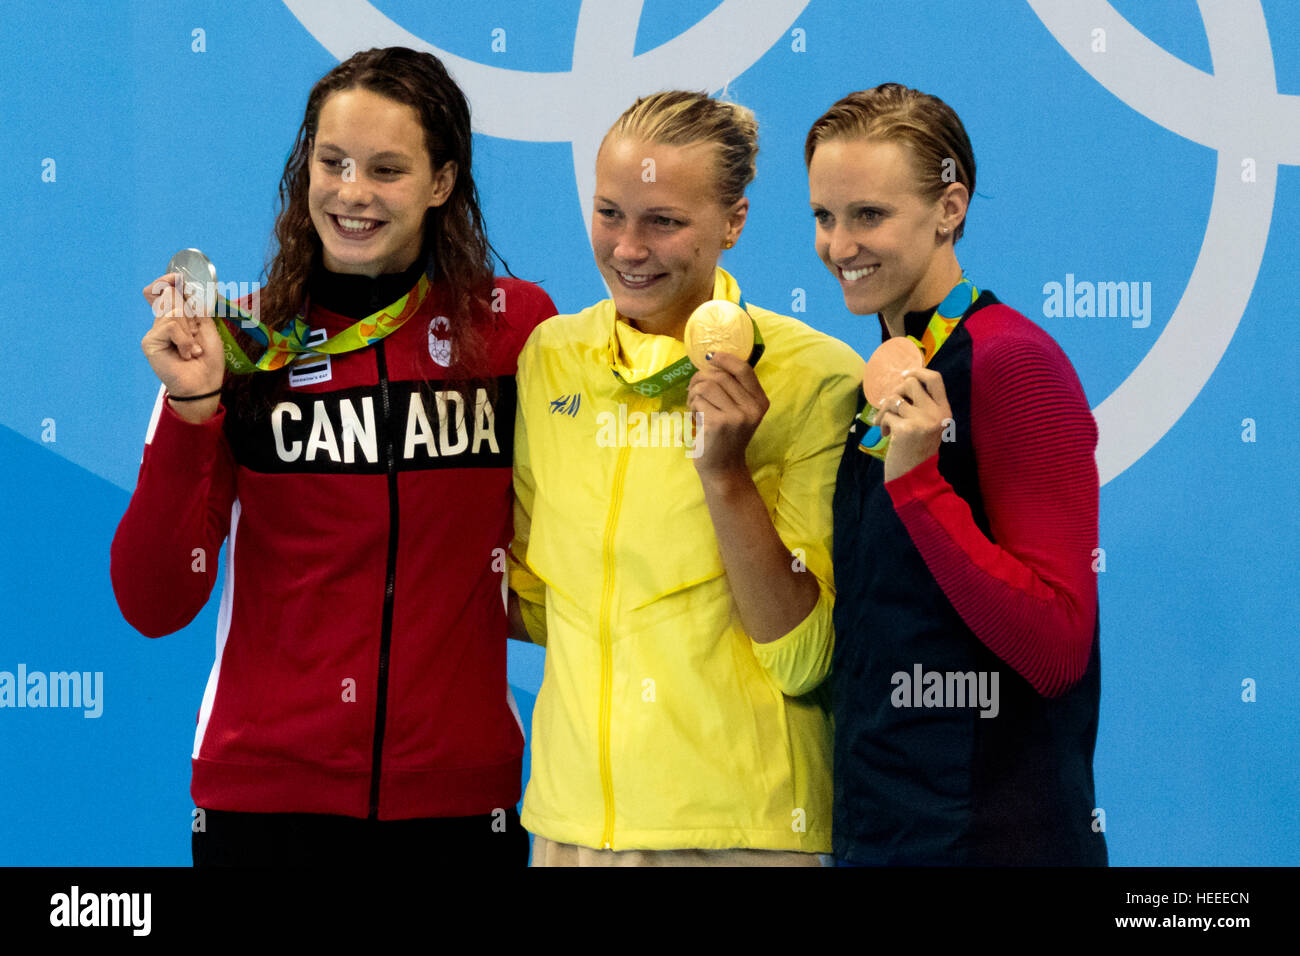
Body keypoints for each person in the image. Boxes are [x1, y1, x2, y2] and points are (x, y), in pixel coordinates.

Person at [110, 47, 556, 867]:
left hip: (460, 801)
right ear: (303, 168)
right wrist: (192, 409)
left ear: (442, 183)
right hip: (264, 799)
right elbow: (154, 600)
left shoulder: (515, 330)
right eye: (332, 162)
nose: (352, 192)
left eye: (387, 169)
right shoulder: (236, 342)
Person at [506, 91, 862, 865]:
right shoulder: (550, 360)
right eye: (609, 213)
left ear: (733, 222)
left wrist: (727, 476)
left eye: (663, 221)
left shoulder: (817, 379)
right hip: (569, 830)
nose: (628, 247)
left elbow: (805, 657)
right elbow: (537, 603)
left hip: (741, 837)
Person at [806, 83, 1107, 865]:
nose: (840, 246)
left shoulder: (1015, 365)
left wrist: (919, 488)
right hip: (882, 835)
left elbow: (1056, 649)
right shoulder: (877, 381)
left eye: (869, 215)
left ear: (949, 208)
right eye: (823, 217)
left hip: (1000, 843)